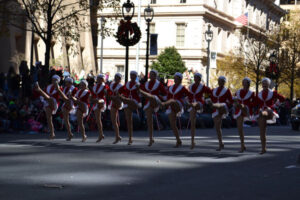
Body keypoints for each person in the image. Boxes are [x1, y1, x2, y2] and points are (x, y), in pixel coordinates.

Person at [255, 77, 285, 154]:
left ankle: (262, 113)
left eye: (266, 83)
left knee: (266, 110)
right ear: (261, 84)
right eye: (263, 83)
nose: (264, 84)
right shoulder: (259, 94)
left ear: (269, 84)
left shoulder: (273, 93)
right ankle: (263, 148)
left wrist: (276, 104)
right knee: (262, 131)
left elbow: (283, 99)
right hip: (262, 113)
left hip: (270, 111)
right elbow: (254, 103)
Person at [161, 72, 190, 147]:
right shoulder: (170, 88)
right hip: (171, 106)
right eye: (175, 78)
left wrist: (185, 101)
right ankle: (178, 140)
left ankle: (163, 105)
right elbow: (167, 97)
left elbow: (189, 95)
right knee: (173, 125)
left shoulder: (182, 88)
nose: (176, 80)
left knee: (172, 100)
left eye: (177, 79)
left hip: (178, 104)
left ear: (180, 80)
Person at [139, 69, 167, 146]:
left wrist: (162, 100)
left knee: (152, 96)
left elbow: (165, 94)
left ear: (155, 76)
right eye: (150, 74)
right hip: (149, 103)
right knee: (149, 120)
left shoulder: (159, 84)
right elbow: (141, 91)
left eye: (152, 74)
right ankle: (151, 138)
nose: (150, 76)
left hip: (156, 100)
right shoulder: (146, 84)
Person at [207, 76, 233, 151]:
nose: (220, 82)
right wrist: (208, 101)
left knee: (218, 124)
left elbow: (230, 100)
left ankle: (220, 144)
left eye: (222, 81)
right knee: (217, 127)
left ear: (224, 82)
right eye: (219, 81)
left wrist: (227, 104)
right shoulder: (214, 90)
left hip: (223, 107)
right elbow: (211, 98)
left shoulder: (227, 90)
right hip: (215, 109)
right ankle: (221, 143)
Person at [187, 73, 211, 149]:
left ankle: (192, 105)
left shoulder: (203, 87)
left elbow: (210, 92)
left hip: (199, 103)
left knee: (195, 104)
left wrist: (208, 99)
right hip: (192, 104)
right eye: (195, 78)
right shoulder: (191, 86)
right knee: (192, 123)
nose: (196, 79)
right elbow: (188, 96)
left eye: (197, 78)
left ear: (200, 79)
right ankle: (192, 141)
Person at [34, 75, 61, 139]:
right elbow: (45, 94)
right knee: (49, 118)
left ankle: (39, 89)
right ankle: (52, 133)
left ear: (58, 81)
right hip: (47, 102)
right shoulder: (48, 87)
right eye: (53, 80)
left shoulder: (60, 88)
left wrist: (57, 88)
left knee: (51, 99)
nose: (53, 81)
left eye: (55, 80)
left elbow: (60, 96)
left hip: (54, 103)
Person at [118, 71, 141, 145]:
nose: (132, 76)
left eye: (133, 75)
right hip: (127, 102)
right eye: (131, 75)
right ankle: (130, 138)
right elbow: (120, 90)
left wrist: (138, 90)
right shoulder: (127, 84)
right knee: (129, 121)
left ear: (136, 76)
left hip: (135, 102)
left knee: (127, 101)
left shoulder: (138, 84)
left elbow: (140, 93)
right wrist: (121, 95)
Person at [233, 77, 255, 152]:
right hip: (239, 111)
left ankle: (243, 145)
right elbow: (234, 100)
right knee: (239, 128)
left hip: (246, 110)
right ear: (242, 83)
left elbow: (254, 103)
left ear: (249, 84)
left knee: (243, 106)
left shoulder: (251, 93)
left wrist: (248, 105)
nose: (245, 84)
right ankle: (242, 145)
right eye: (244, 82)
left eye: (247, 83)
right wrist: (234, 104)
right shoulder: (238, 92)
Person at [107, 73, 124, 144]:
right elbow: (110, 93)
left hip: (117, 102)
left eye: (118, 78)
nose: (116, 79)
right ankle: (117, 136)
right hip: (113, 101)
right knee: (113, 120)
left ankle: (117, 136)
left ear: (120, 79)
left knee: (114, 120)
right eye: (115, 77)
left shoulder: (121, 86)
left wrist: (113, 97)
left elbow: (121, 95)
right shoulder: (112, 85)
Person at [91, 74, 108, 143]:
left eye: (100, 78)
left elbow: (106, 95)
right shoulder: (95, 86)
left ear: (102, 79)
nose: (98, 80)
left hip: (102, 101)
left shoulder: (105, 86)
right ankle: (101, 134)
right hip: (96, 102)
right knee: (98, 119)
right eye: (97, 78)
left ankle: (101, 135)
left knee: (98, 119)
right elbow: (93, 95)